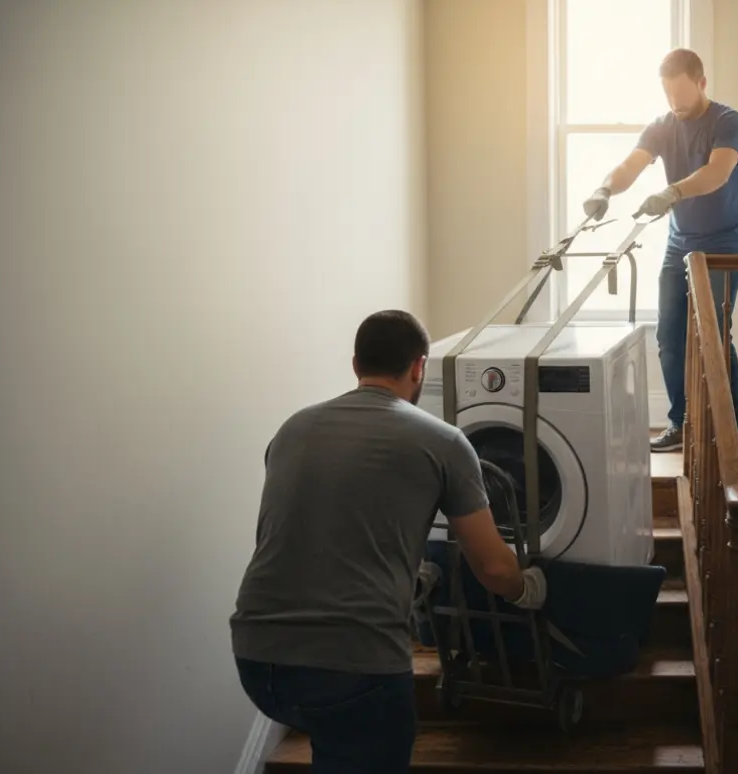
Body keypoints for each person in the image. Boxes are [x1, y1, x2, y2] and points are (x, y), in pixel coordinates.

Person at [230, 310, 546, 773]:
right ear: (419, 367)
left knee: (334, 740)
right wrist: (528, 588)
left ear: (356, 364)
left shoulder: (293, 428)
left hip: (258, 660)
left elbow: (310, 528)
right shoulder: (443, 441)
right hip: (355, 669)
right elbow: (494, 568)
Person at [583, 48, 738, 453]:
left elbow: (717, 172)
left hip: (724, 241)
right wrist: (604, 189)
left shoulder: (729, 121)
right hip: (681, 243)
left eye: (683, 95)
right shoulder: (662, 126)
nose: (676, 104)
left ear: (702, 83)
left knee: (712, 334)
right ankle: (681, 422)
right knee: (670, 336)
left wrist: (672, 192)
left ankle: (735, 426)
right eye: (668, 96)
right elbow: (631, 166)